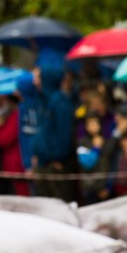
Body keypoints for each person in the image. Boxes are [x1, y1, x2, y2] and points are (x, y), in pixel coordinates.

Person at [31, 66, 77, 202]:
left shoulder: (60, 102)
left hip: (55, 166)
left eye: (38, 77)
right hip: (44, 163)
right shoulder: (45, 100)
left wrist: (58, 159)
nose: (34, 82)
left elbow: (64, 134)